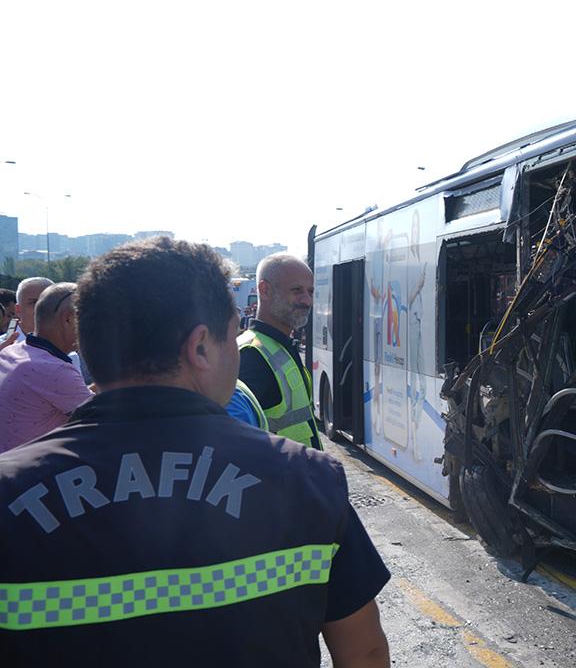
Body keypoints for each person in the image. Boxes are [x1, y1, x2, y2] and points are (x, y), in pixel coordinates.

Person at [0, 238, 390, 667]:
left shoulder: (10, 491)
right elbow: (364, 652)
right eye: (231, 337)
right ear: (201, 347)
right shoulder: (311, 482)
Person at [238, 253, 324, 449]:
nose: (307, 301)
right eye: (297, 290)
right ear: (264, 289)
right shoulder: (251, 356)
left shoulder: (280, 346)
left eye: (310, 292)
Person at [0, 283, 94, 453]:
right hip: (28, 475)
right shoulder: (55, 370)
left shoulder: (14, 351)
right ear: (68, 319)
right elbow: (107, 417)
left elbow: (75, 394)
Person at [0, 277, 52, 352]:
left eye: (48, 302)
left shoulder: (70, 352)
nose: (42, 308)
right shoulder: (3, 348)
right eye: (33, 302)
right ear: (18, 309)